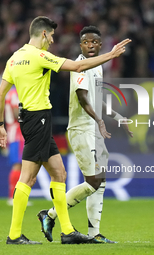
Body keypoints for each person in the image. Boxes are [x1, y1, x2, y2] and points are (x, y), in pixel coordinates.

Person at [0, 16, 130, 245]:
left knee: (59, 173)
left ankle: (67, 231)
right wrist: (110, 55)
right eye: (52, 35)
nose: (53, 40)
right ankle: (14, 234)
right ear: (44, 34)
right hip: (37, 119)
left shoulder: (14, 58)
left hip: (33, 119)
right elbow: (77, 66)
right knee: (27, 177)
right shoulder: (39, 56)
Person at [37, 26, 133, 243]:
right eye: (86, 42)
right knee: (92, 182)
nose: (90, 45)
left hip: (94, 130)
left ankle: (94, 234)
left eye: (94, 42)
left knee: (101, 181)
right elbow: (82, 97)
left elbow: (98, 99)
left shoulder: (97, 68)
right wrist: (99, 120)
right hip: (81, 130)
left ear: (100, 45)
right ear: (81, 45)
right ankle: (50, 214)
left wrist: (118, 117)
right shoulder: (78, 67)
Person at [4, 87, 25, 206]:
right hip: (17, 133)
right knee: (18, 165)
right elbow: (17, 113)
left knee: (21, 165)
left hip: (15, 133)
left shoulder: (11, 92)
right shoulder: (15, 93)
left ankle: (17, 196)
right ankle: (13, 196)